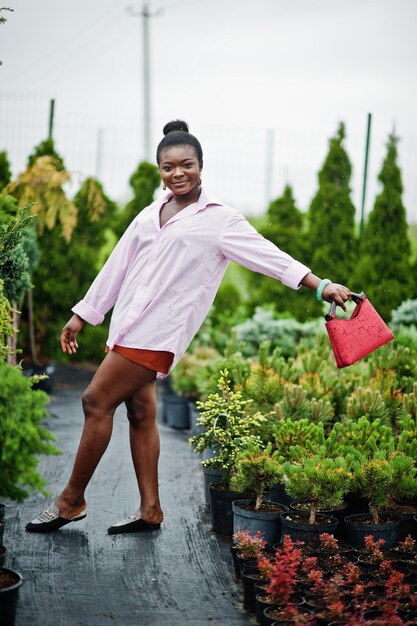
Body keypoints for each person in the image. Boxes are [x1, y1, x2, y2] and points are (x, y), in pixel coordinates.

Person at [26, 120, 351, 534]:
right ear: (159, 169)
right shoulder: (151, 213)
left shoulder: (220, 220)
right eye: (167, 166)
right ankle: (150, 510)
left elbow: (270, 257)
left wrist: (319, 285)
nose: (177, 173)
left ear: (201, 166)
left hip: (160, 333)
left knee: (94, 402)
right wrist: (84, 314)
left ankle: (71, 500)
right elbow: (117, 265)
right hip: (128, 327)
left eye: (186, 164)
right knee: (140, 412)